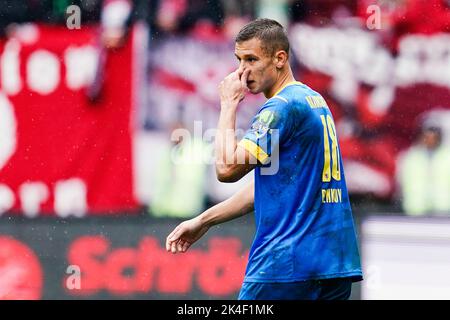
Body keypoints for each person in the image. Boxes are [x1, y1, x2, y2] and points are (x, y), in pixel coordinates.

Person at [166, 18, 363, 300]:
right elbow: (273, 186)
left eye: (251, 59)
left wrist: (228, 104)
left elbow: (227, 168)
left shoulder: (280, 108)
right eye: (238, 59)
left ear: (280, 58)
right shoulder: (313, 100)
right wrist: (205, 220)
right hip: (333, 262)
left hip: (286, 262)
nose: (242, 71)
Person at [397, 124, 450, 215]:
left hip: (444, 208)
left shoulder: (447, 156)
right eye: (427, 137)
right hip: (416, 208)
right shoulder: (411, 156)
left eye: (434, 137)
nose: (430, 141)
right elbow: (401, 180)